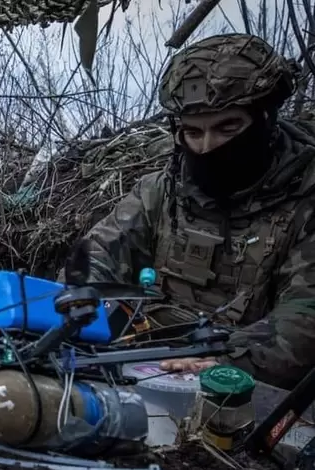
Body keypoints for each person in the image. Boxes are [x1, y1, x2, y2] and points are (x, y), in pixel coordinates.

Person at [80, 33, 315, 390]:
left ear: (266, 119)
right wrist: (77, 306)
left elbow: (304, 318)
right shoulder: (161, 190)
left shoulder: (306, 200)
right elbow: (97, 253)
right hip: (143, 362)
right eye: (192, 131)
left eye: (227, 127)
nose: (206, 147)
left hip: (243, 386)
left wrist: (223, 361)